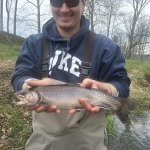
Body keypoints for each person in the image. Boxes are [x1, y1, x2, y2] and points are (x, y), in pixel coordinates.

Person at [11, 0, 131, 149]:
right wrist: (28, 84)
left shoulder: (106, 47)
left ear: (84, 3)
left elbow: (123, 84)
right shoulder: (34, 43)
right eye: (57, 1)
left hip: (90, 144)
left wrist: (106, 89)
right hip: (42, 143)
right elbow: (19, 75)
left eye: (72, 1)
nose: (64, 9)